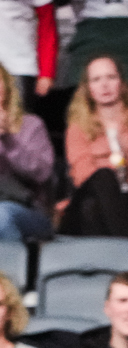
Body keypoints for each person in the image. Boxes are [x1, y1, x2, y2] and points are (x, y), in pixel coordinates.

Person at [60, 55, 128, 237]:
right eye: (96, 79)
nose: (104, 85)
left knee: (92, 209)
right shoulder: (78, 128)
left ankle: (115, 256)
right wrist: (126, 149)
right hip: (88, 203)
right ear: (88, 88)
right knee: (101, 182)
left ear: (122, 83)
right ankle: (125, 252)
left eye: (111, 77)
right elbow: (82, 177)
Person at [0, 67, 51, 244]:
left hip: (28, 209)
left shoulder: (30, 125)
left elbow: (42, 173)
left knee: (2, 216)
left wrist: (8, 140)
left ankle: (8, 271)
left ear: (6, 88)